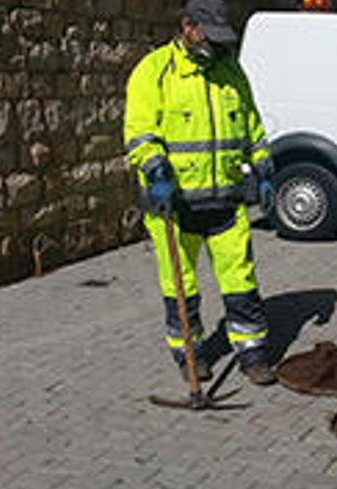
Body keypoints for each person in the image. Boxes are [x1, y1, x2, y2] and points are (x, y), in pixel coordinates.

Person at [123, 0, 277, 386]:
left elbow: (251, 127)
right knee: (180, 286)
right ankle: (189, 354)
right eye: (209, 36)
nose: (216, 45)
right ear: (187, 26)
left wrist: (263, 167)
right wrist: (154, 167)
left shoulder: (231, 71)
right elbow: (140, 133)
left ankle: (252, 352)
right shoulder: (155, 71)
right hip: (174, 205)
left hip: (226, 201)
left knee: (240, 279)